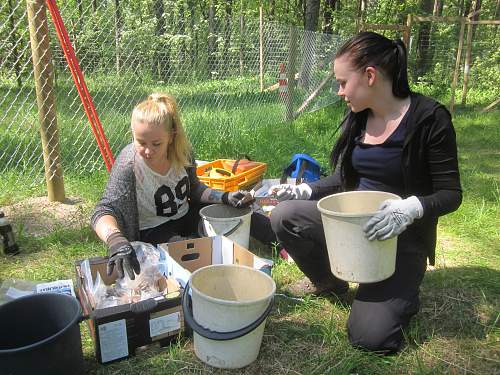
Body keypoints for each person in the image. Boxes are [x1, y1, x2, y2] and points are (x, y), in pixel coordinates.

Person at [268, 31, 462, 353]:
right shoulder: (359, 117)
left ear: (370, 76)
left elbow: (451, 193)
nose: (339, 91)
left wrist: (411, 209)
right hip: (352, 226)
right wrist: (305, 190)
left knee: (370, 338)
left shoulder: (430, 119)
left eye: (343, 82)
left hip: (400, 238)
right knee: (284, 216)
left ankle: (402, 292)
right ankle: (330, 282)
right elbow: (345, 178)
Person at [91, 93, 253, 280]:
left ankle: (283, 246)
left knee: (238, 215)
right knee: (192, 253)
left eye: (156, 144)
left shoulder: (182, 152)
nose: (148, 151)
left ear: (171, 137)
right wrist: (116, 240)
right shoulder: (130, 165)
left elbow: (194, 188)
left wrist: (225, 197)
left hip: (185, 214)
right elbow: (103, 210)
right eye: (141, 142)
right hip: (154, 229)